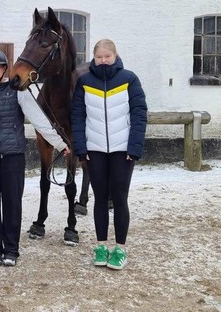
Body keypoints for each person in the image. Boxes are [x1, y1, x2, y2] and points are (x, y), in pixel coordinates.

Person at [0, 49, 69, 267]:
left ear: (5, 69)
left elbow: (38, 119)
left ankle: (12, 249)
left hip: (13, 156)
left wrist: (59, 143)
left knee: (12, 203)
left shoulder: (19, 91)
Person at [71, 39, 147, 271]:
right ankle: (101, 245)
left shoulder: (129, 79)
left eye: (108, 56)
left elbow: (139, 114)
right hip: (95, 152)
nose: (103, 60)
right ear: (93, 58)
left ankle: (120, 249)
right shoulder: (84, 82)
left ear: (115, 56)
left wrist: (134, 148)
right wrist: (81, 148)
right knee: (100, 199)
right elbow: (78, 116)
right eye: (99, 57)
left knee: (120, 199)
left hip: (122, 152)